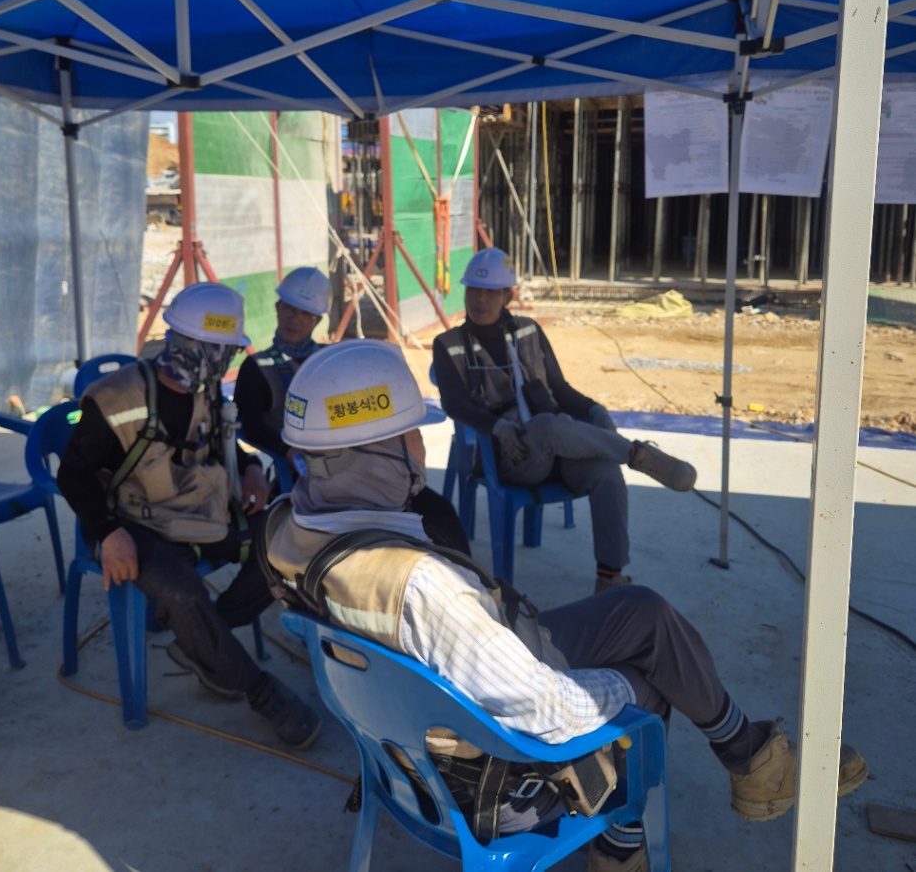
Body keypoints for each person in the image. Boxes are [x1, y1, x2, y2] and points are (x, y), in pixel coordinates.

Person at [260, 339, 868, 871]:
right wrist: (627, 683)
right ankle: (626, 847)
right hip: (494, 781)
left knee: (641, 611)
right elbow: (545, 711)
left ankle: (749, 755)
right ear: (374, 454)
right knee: (651, 684)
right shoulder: (420, 586)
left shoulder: (284, 529)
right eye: (411, 435)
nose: (421, 448)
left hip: (412, 744)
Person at [57, 281, 321, 750]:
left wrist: (251, 468)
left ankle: (201, 643)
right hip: (133, 523)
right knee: (181, 592)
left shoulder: (206, 391)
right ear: (189, 345)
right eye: (222, 351)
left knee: (284, 541)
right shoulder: (116, 397)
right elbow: (73, 474)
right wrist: (108, 532)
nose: (226, 361)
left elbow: (224, 441)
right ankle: (261, 693)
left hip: (196, 511)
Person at [433, 247, 697, 593]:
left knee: (606, 472)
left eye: (490, 292)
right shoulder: (448, 344)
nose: (480, 299)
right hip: (511, 456)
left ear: (507, 296)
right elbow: (454, 405)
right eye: (474, 290)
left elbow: (558, 388)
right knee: (548, 426)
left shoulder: (528, 330)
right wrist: (497, 427)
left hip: (560, 450)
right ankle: (635, 453)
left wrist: (595, 411)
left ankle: (609, 576)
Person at [235, 266, 470, 555]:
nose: (295, 319)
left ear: (317, 319)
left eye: (306, 314)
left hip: (364, 462)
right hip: (313, 474)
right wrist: (287, 449)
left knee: (441, 514)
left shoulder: (334, 360)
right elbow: (251, 425)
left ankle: (468, 577)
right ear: (277, 308)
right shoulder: (257, 367)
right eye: (289, 309)